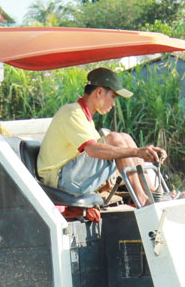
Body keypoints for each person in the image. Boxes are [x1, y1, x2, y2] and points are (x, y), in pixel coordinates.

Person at [37, 67, 167, 206]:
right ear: (99, 92)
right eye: (113, 96)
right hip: (59, 182)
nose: (113, 103)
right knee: (115, 139)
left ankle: (152, 192)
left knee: (125, 137)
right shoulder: (71, 112)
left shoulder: (86, 120)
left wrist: (145, 152)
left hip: (70, 177)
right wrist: (138, 152)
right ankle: (142, 200)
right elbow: (93, 150)